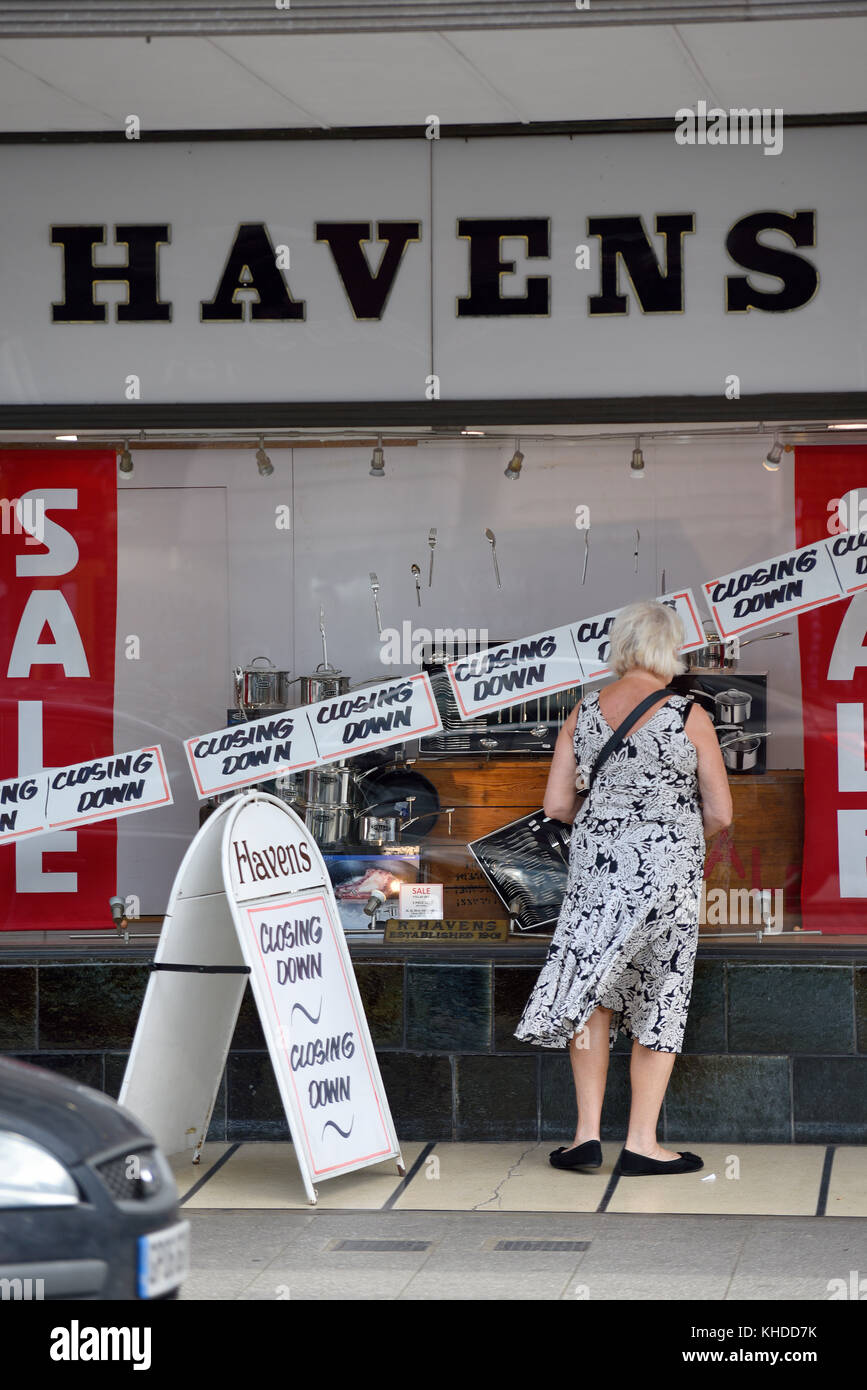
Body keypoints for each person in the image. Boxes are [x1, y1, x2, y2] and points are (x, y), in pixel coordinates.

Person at [514, 599, 733, 1176]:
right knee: (660, 995)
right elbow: (722, 811)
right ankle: (642, 1142)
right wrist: (674, 835)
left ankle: (585, 1136)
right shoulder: (689, 714)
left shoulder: (581, 713)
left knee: (594, 992)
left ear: (621, 647)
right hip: (669, 875)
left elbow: (557, 805)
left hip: (599, 873)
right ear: (669, 650)